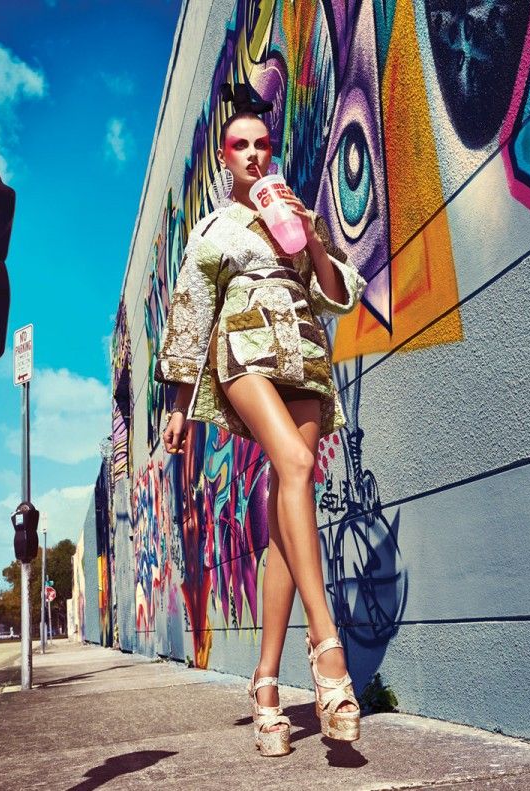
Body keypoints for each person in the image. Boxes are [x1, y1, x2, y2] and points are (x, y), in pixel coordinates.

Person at [155, 82, 367, 756]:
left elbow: (337, 296)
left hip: (300, 350)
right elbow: (190, 310)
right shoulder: (215, 230)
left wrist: (310, 235)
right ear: (225, 158)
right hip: (242, 351)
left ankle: (266, 683)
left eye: (261, 145)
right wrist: (178, 404)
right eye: (239, 146)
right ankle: (328, 653)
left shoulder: (293, 213)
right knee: (298, 465)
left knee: (286, 515)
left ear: (271, 152)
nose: (252, 154)